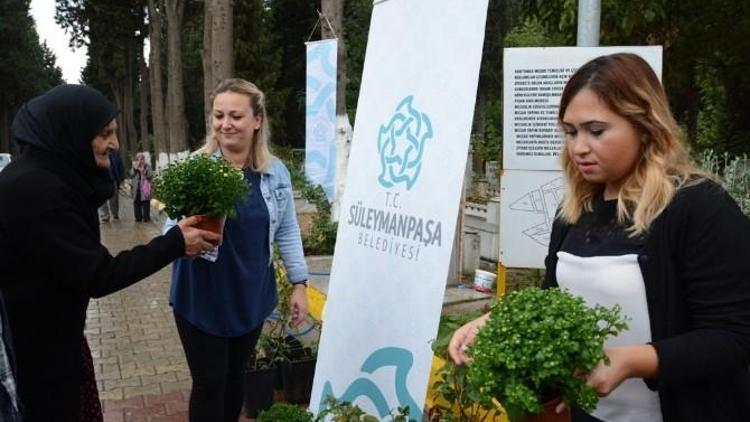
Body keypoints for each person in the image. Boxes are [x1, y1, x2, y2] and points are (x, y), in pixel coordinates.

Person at [448, 53, 750, 422]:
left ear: (644, 126)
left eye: (596, 130)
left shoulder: (698, 207)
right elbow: (552, 303)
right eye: (571, 132)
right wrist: (496, 322)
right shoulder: (574, 211)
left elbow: (734, 336)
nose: (578, 148)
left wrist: (629, 360)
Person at [0, 84, 222, 421]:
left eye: (115, 133)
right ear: (70, 132)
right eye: (105, 134)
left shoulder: (50, 176)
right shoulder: (35, 190)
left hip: (56, 343)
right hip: (36, 359)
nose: (115, 144)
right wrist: (175, 243)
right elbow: (98, 274)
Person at [165, 78, 309, 422]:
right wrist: (186, 232)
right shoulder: (195, 169)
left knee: (234, 382)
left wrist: (299, 283)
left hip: (249, 296)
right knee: (209, 384)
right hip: (201, 297)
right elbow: (169, 231)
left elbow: (287, 229)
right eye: (218, 115)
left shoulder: (274, 173)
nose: (225, 124)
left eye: (235, 116)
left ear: (257, 120)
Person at [98, 150, 124, 222]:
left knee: (114, 198)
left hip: (113, 179)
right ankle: (105, 216)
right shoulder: (98, 154)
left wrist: (122, 178)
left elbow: (120, 166)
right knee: (102, 199)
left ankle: (115, 214)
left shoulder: (115, 154)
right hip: (102, 180)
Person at [131, 151, 152, 222]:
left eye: (142, 159)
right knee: (136, 202)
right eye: (138, 159)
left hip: (145, 187)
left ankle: (146, 217)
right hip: (136, 188)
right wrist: (135, 169)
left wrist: (143, 172)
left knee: (146, 202)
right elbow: (131, 174)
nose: (140, 161)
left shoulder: (147, 166)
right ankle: (138, 217)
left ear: (144, 159)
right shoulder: (134, 166)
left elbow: (150, 176)